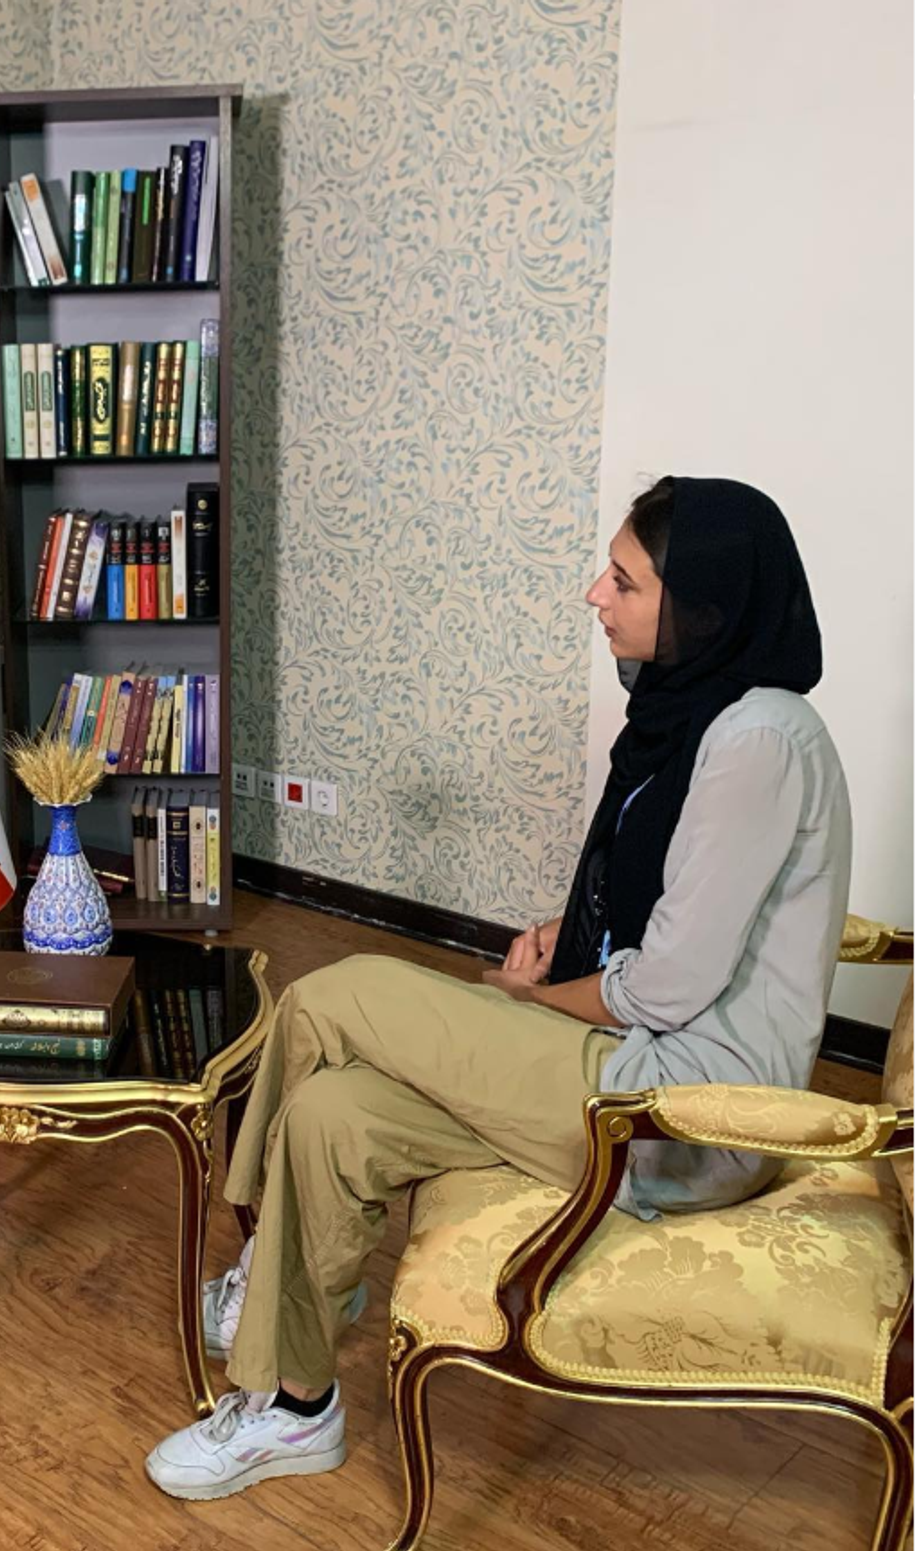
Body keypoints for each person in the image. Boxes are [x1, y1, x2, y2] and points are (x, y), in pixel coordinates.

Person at [145, 476, 850, 1500]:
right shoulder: (695, 713)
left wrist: (525, 1002)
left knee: (334, 995)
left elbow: (666, 988)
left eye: (624, 581)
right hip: (631, 1065)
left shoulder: (759, 738)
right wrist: (574, 943)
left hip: (684, 1114)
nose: (595, 593)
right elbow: (682, 913)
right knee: (335, 1116)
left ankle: (260, 1264)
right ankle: (297, 1405)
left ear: (703, 606)